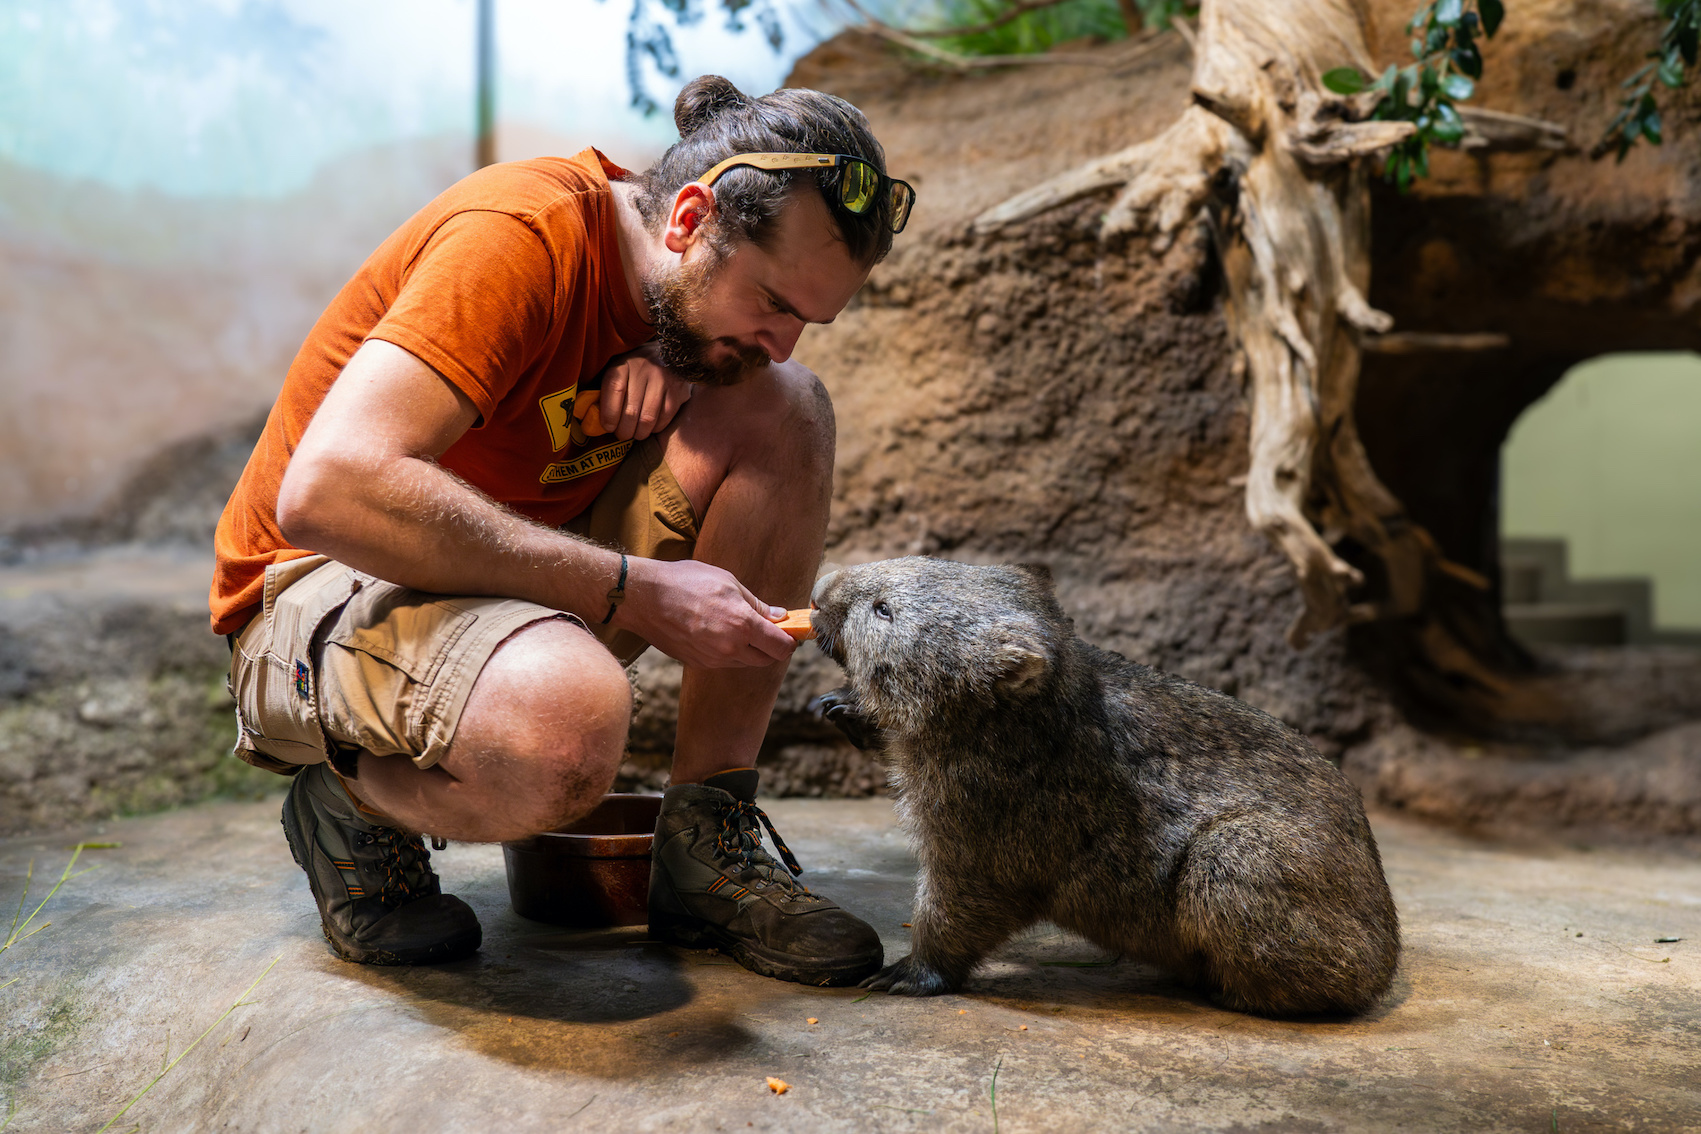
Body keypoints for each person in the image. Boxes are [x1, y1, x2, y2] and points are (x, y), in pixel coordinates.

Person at [210, 75, 915, 986]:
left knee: (785, 405)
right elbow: (329, 491)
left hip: (490, 578)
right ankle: (350, 802)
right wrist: (630, 588)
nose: (781, 339)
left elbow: (720, 349)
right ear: (689, 220)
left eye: (808, 319)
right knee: (567, 730)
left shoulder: (674, 296)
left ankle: (707, 847)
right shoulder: (518, 237)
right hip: (315, 585)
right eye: (773, 304)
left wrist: (678, 360)